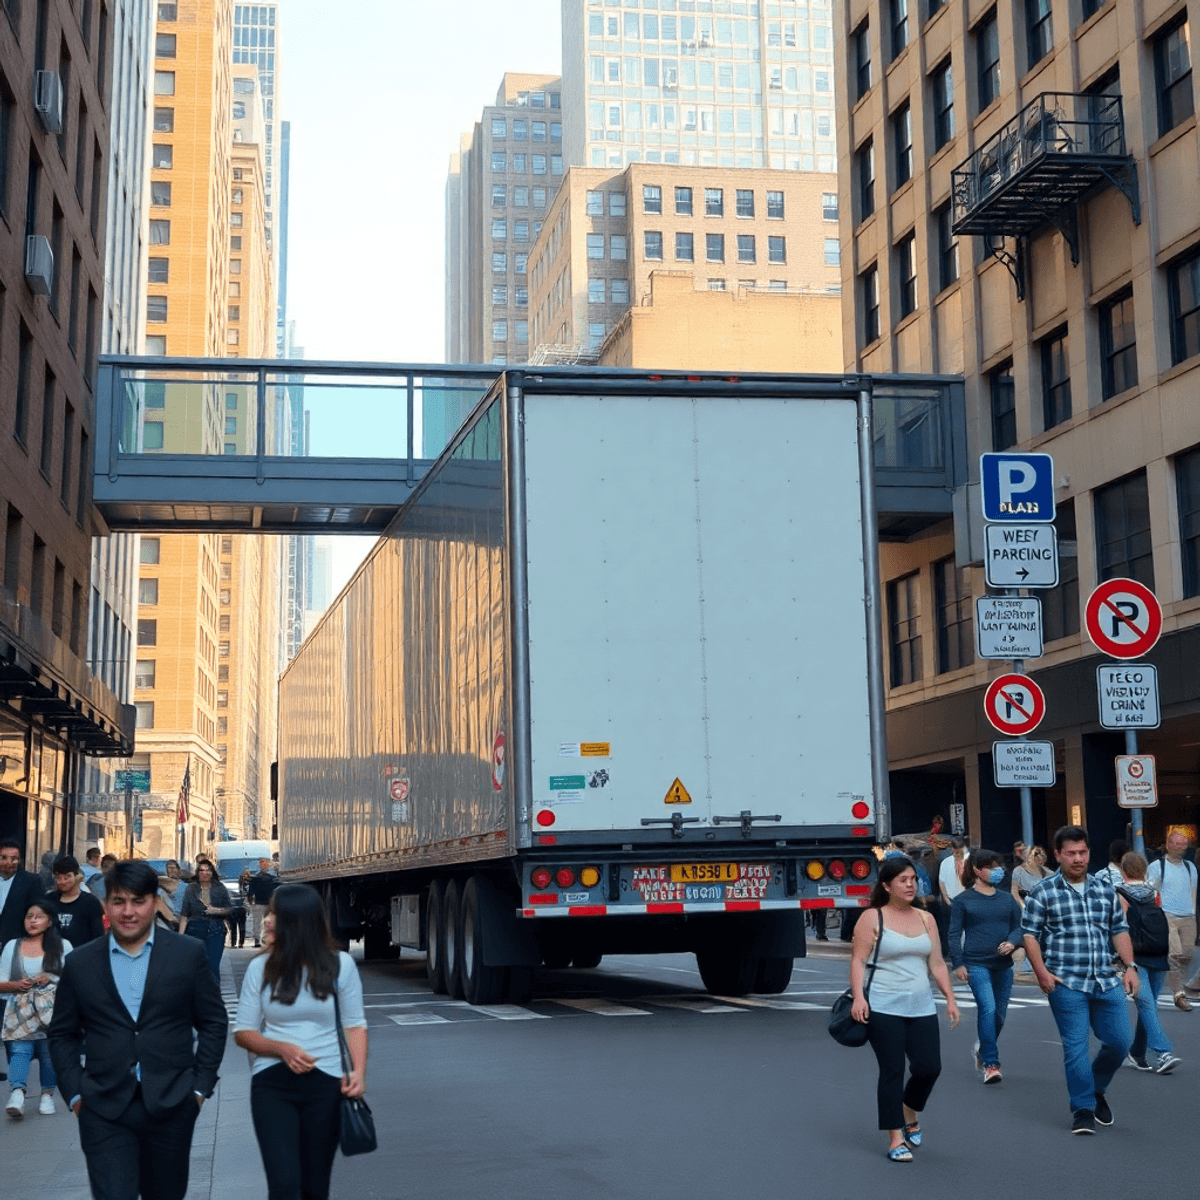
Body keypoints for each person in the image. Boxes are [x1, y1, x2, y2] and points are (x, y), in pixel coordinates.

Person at [48, 860, 227, 1200]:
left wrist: (199, 1088)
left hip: (172, 1103)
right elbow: (62, 1034)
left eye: (138, 901)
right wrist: (75, 1093)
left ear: (154, 902)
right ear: (107, 905)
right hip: (102, 1107)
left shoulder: (187, 954)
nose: (128, 912)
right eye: (118, 901)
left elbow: (214, 1022)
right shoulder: (81, 962)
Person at [234, 884, 369, 1200]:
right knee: (284, 1185)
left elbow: (355, 1025)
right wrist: (280, 1048)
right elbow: (244, 1032)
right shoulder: (260, 968)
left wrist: (359, 1072)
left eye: (275, 915)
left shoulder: (340, 965)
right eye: (268, 913)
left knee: (314, 1187)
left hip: (326, 1085)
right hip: (272, 1086)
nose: (267, 921)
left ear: (297, 921)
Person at [1022, 825, 1138, 1135]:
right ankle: (1083, 1108)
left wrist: (1130, 966)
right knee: (1075, 1047)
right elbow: (1030, 935)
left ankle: (1096, 1087)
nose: (1078, 858)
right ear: (1057, 854)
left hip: (1105, 978)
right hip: (1065, 982)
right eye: (1071, 853)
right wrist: (1041, 973)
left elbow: (1119, 929)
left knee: (1119, 1042)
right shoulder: (1043, 891)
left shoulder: (1104, 890)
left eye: (1083, 852)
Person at [850, 855, 960, 1162]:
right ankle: (895, 1138)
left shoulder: (926, 919)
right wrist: (859, 998)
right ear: (887, 885)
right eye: (903, 880)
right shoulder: (873, 918)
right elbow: (858, 960)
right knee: (892, 1070)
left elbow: (936, 962)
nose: (910, 884)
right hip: (884, 1006)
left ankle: (909, 1109)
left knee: (929, 1068)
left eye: (913, 879)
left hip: (921, 1005)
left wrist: (949, 998)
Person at [948, 848, 1022, 1083]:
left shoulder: (1007, 899)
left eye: (998, 866)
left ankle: (983, 1049)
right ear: (978, 871)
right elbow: (953, 934)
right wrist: (958, 964)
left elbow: (1019, 928)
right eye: (991, 866)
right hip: (976, 963)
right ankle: (991, 1064)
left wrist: (1011, 943)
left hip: (1003, 964)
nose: (997, 871)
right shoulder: (963, 901)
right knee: (988, 1009)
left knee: (999, 1015)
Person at [2, 898, 72, 1118]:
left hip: (52, 1010)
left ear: (49, 921)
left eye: (39, 917)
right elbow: (1, 980)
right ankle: (17, 1093)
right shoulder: (13, 946)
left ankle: (47, 1096)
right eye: (29, 916)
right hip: (19, 1011)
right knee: (19, 1050)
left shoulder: (63, 946)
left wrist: (50, 978)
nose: (33, 921)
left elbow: (74, 980)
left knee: (48, 1052)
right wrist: (15, 985)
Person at [1116, 851, 1180, 1074]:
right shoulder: (1154, 892)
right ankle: (1150, 1052)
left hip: (1134, 954)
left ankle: (1155, 1053)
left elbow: (1119, 927)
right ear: (1144, 869)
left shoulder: (1120, 893)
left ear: (1123, 870)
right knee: (1148, 1003)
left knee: (1146, 1005)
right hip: (1158, 952)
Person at [1146, 831, 1197, 1011]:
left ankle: (1181, 985)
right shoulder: (1157, 866)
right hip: (1167, 916)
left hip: (1188, 917)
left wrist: (1194, 914)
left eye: (1183, 844)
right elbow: (1149, 891)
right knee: (1174, 955)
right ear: (1168, 844)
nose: (1180, 847)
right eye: (1176, 843)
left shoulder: (1191, 867)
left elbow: (1193, 892)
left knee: (1187, 954)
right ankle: (1179, 994)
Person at [179, 860, 233, 978]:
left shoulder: (220, 888)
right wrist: (180, 938)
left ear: (212, 872)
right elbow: (184, 915)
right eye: (201, 870)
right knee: (196, 968)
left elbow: (229, 909)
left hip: (215, 930)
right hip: (194, 930)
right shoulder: (191, 889)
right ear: (198, 873)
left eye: (207, 870)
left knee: (212, 967)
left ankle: (213, 995)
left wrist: (216, 910)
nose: (205, 873)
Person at [45, 856, 107, 947]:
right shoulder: (49, 900)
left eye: (67, 877)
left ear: (77, 875)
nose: (62, 882)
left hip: (81, 957)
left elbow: (98, 938)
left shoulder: (90, 903)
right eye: (59, 878)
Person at [0, 839, 45, 945]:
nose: (9, 862)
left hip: (17, 944)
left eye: (14, 859)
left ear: (20, 860)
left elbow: (37, 914)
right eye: (3, 858)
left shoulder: (31, 881)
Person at [246, 858, 281, 948]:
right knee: (257, 922)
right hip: (259, 903)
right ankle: (257, 939)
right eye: (261, 863)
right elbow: (251, 890)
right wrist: (250, 900)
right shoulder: (257, 877)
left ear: (268, 864)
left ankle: (266, 938)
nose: (262, 865)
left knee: (268, 922)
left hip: (269, 903)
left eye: (264, 863)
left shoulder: (273, 877)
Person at [228, 870, 249, 948]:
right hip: (241, 908)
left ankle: (233, 942)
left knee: (233, 927)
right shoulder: (245, 886)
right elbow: (247, 898)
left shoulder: (229, 884)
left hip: (233, 908)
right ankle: (241, 943)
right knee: (242, 926)